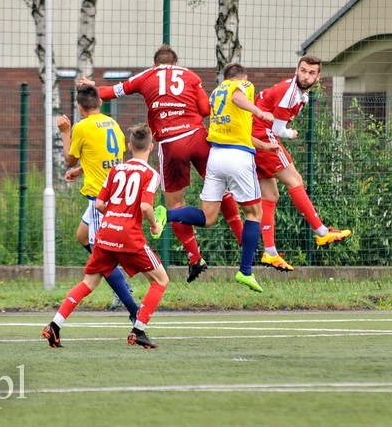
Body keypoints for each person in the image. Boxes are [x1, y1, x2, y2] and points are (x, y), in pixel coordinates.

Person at [79, 45, 243, 283]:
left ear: (156, 64)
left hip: (171, 144)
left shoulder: (147, 76)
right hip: (198, 138)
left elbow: (112, 92)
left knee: (174, 203)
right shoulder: (190, 75)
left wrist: (91, 87)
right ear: (175, 64)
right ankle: (243, 240)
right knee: (222, 188)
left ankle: (195, 257)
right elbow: (206, 109)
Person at [42, 123, 169, 349]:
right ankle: (138, 330)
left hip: (105, 232)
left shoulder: (116, 170)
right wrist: (154, 226)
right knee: (161, 280)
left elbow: (100, 203)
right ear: (150, 147)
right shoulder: (151, 174)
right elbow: (146, 207)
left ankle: (54, 325)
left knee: (89, 282)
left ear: (130, 146)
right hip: (129, 235)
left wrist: (114, 215)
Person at [159, 63, 276, 292]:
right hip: (239, 159)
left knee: (208, 217)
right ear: (243, 77)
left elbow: (239, 130)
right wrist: (259, 111)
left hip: (216, 157)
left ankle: (167, 214)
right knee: (254, 213)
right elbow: (238, 97)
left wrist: (263, 145)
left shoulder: (215, 93)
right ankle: (245, 271)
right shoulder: (241, 86)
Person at [252, 55, 352, 272]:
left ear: (318, 77)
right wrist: (291, 133)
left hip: (255, 135)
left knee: (270, 196)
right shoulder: (289, 93)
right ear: (296, 70)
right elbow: (279, 130)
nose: (306, 76)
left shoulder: (300, 95)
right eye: (303, 71)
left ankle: (270, 252)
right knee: (295, 180)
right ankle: (322, 233)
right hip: (261, 134)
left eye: (311, 73)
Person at [56, 85, 139, 322]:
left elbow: (69, 157)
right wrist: (82, 169)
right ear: (100, 104)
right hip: (115, 193)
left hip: (100, 200)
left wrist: (65, 131)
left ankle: (131, 306)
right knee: (82, 237)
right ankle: (120, 282)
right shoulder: (112, 123)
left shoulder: (81, 127)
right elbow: (111, 158)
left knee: (101, 259)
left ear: (79, 107)